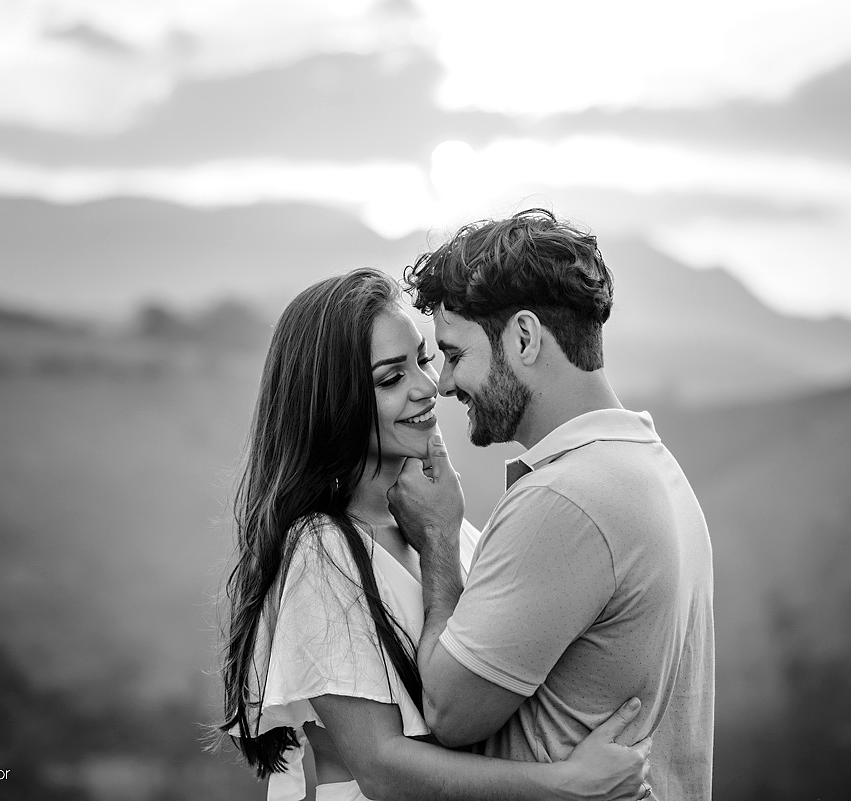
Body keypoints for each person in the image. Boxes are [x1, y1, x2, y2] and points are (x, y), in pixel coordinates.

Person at [216, 267, 653, 801]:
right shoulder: (323, 549)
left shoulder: (445, 526)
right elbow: (380, 767)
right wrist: (562, 785)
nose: (428, 387)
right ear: (335, 403)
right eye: (390, 379)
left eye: (422, 360)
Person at [388, 210, 715, 801]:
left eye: (455, 355)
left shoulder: (563, 499)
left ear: (524, 337)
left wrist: (438, 538)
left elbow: (447, 712)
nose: (443, 385)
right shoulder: (654, 469)